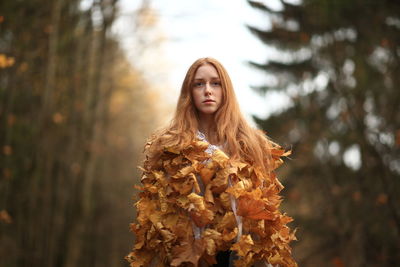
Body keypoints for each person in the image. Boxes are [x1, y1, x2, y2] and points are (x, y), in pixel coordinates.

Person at [126, 57, 297, 267]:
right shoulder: (169, 145)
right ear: (189, 92)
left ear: (226, 90)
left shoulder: (251, 144)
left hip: (239, 256)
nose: (208, 90)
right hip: (189, 256)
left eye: (215, 83)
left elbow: (265, 212)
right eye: (199, 84)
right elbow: (156, 213)